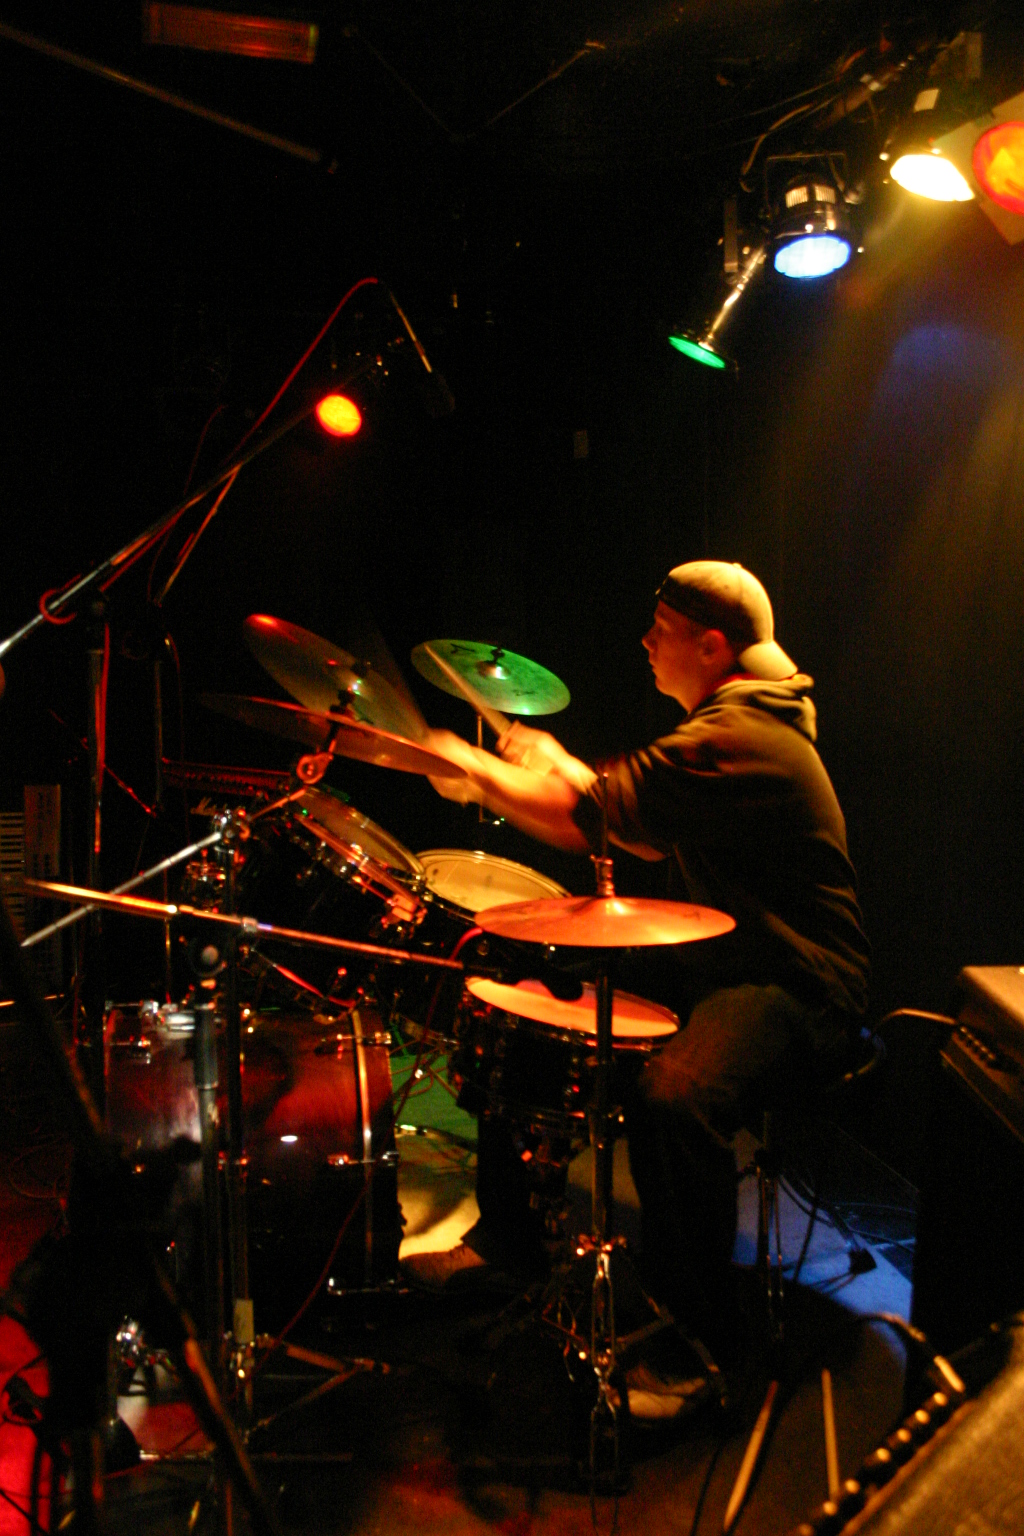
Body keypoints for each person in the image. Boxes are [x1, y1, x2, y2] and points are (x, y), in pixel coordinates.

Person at [414, 561, 871, 1402]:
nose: (645, 643)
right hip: (727, 960)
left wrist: (472, 768)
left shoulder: (740, 733)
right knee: (527, 991)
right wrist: (555, 762)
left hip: (799, 985)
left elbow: (586, 819)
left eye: (660, 631)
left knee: (675, 1097)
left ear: (710, 645)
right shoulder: (739, 719)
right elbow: (640, 829)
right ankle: (507, 1243)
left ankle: (702, 1342)